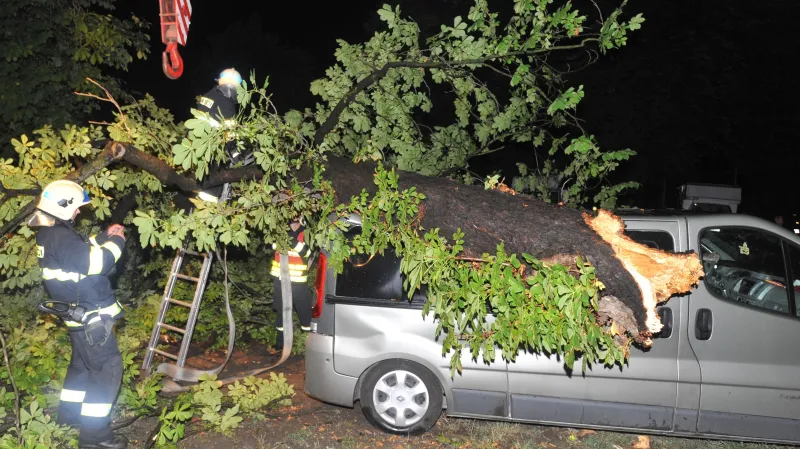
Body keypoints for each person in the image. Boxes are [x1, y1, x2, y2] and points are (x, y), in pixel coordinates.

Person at [30, 180, 128, 449]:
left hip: (76, 315)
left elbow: (80, 252)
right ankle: (95, 439)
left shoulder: (51, 233)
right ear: (63, 206)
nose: (78, 213)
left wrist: (106, 235)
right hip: (90, 317)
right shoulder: (60, 237)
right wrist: (118, 241)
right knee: (107, 369)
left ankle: (69, 418)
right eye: (76, 208)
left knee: (82, 367)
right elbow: (98, 261)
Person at [194, 68, 244, 204]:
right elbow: (229, 135)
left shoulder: (210, 95)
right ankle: (210, 203)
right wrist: (236, 155)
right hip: (213, 150)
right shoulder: (226, 104)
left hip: (197, 147)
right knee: (222, 171)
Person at [269, 219, 314, 350]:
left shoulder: (307, 233)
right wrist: (285, 235)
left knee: (305, 314)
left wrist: (291, 240)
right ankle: (280, 344)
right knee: (281, 314)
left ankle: (309, 346)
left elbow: (307, 252)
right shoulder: (279, 231)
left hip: (299, 283)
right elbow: (272, 246)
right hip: (280, 281)